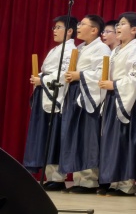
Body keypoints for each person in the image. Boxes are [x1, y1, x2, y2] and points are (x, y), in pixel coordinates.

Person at [24, 15, 78, 191]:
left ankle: (57, 177)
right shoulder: (56, 50)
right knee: (44, 134)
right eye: (54, 28)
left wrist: (42, 80)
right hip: (45, 92)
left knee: (54, 134)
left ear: (69, 31)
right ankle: (49, 175)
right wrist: (40, 77)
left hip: (55, 95)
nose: (54, 31)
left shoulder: (70, 50)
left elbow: (63, 74)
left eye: (58, 27)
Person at [60, 14, 111, 193]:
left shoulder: (102, 48)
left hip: (89, 95)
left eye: (83, 24)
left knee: (87, 137)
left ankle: (89, 180)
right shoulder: (80, 48)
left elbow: (102, 73)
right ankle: (78, 178)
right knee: (75, 136)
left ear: (94, 30)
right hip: (75, 92)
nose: (78, 27)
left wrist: (79, 75)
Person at [98, 12, 136, 196]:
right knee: (112, 140)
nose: (118, 27)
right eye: (118, 24)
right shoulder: (117, 50)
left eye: (123, 24)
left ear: (134, 30)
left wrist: (114, 85)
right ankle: (115, 181)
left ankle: (126, 184)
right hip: (114, 96)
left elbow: (135, 78)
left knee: (123, 140)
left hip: (126, 99)